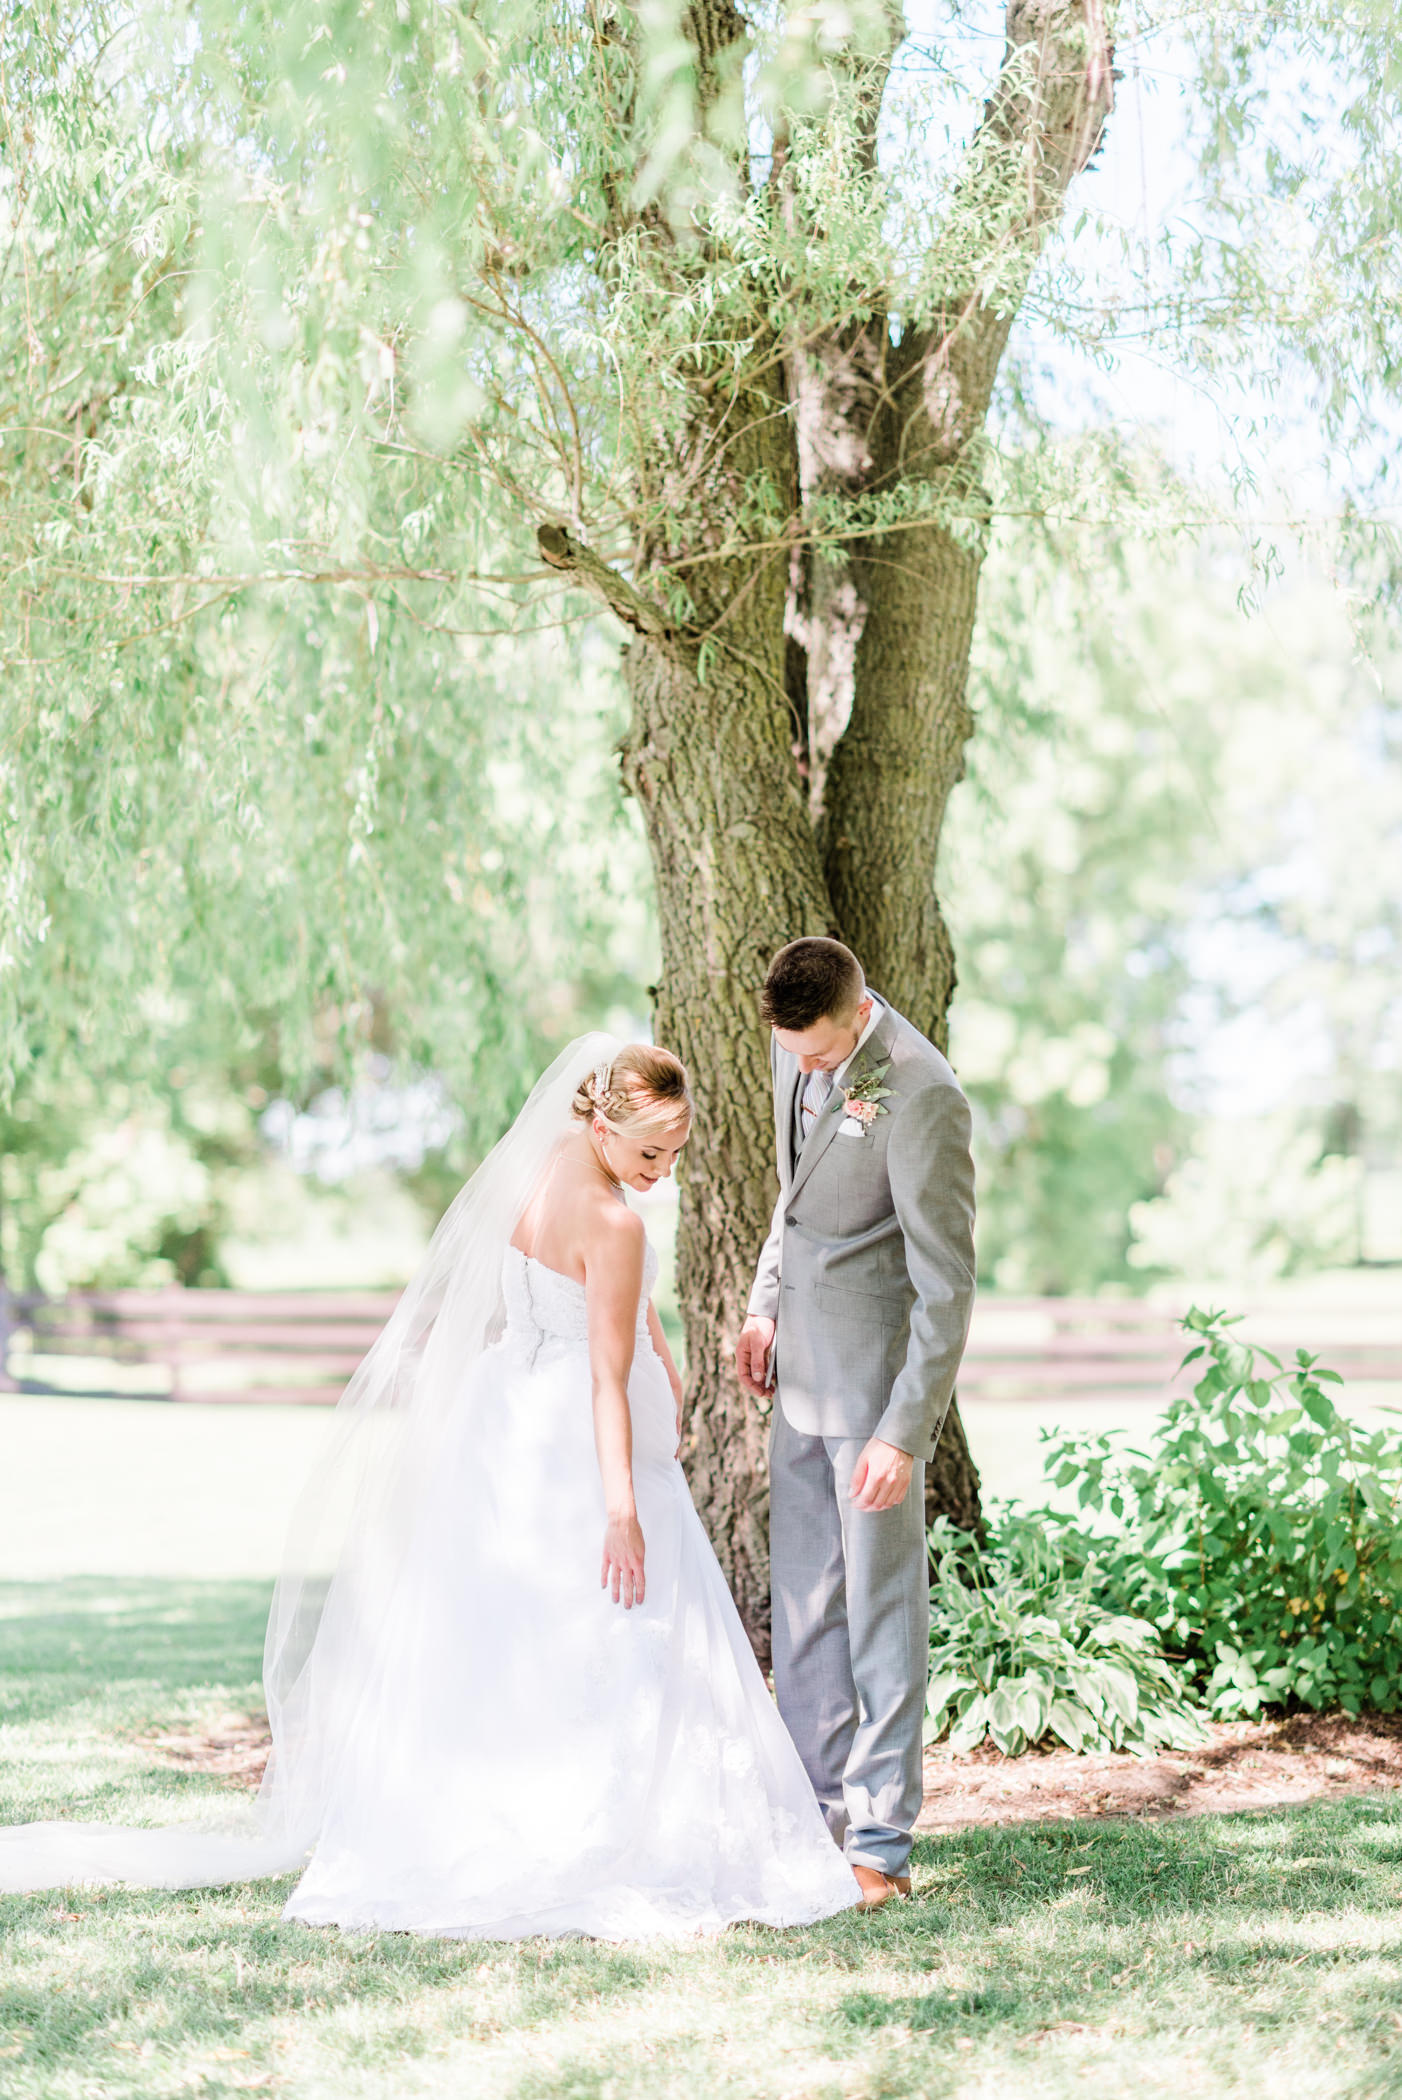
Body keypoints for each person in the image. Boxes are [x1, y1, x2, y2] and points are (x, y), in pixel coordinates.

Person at [0, 1036, 857, 1939]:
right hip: (580, 1435)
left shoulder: (536, 1176)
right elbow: (606, 1375)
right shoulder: (614, 1224)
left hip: (511, 1415)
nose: (661, 1172)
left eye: (675, 1155)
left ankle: (493, 1795)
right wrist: (621, 1509)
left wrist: (663, 1357)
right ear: (601, 1125)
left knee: (503, 1621)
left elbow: (604, 1307)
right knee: (613, 1615)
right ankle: (600, 1827)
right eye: (649, 1153)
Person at [736, 939, 976, 1911]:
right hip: (797, 1382)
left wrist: (902, 1430)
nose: (805, 1069)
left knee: (882, 1621)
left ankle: (878, 1845)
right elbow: (791, 1210)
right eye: (794, 1053)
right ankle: (810, 1822)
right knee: (802, 1618)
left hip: (873, 1401)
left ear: (859, 1007)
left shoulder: (921, 1095)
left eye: (821, 1053)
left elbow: (946, 1286)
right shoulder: (800, 1049)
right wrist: (762, 1305)